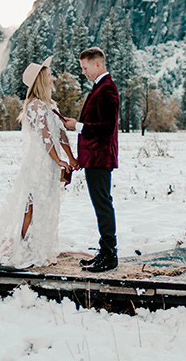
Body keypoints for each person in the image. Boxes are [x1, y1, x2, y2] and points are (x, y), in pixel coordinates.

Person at [0, 57, 76, 269]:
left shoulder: (51, 106)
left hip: (50, 163)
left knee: (48, 204)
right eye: (49, 75)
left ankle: (40, 248)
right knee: (31, 205)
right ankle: (22, 249)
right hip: (39, 162)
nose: (52, 78)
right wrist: (59, 159)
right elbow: (45, 136)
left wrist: (71, 157)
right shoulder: (35, 106)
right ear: (41, 79)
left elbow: (61, 134)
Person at [63, 47, 120, 273]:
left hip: (100, 157)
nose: (83, 72)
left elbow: (106, 128)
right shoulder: (101, 88)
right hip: (95, 157)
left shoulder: (107, 90)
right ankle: (105, 251)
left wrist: (76, 126)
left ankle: (109, 254)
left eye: (85, 68)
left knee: (103, 204)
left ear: (98, 64)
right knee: (101, 204)